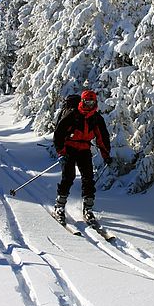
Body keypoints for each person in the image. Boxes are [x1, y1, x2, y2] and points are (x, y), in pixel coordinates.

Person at [53, 89, 112, 224]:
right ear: (82, 101)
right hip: (69, 147)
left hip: (84, 149)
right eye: (87, 102)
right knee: (69, 176)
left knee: (88, 177)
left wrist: (106, 155)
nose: (90, 105)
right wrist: (61, 152)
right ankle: (59, 206)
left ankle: (88, 208)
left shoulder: (96, 118)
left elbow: (102, 138)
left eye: (92, 102)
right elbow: (59, 133)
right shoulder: (72, 114)